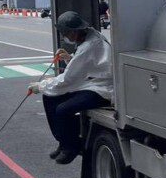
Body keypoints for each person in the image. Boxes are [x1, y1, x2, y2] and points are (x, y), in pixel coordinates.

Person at [28, 11, 112, 164]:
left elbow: (68, 80)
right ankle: (64, 142)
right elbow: (86, 65)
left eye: (64, 33)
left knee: (63, 109)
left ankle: (72, 147)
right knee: (50, 97)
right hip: (92, 82)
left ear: (73, 32)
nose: (63, 36)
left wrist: (41, 86)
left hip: (103, 89)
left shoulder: (89, 45)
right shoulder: (90, 35)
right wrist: (69, 58)